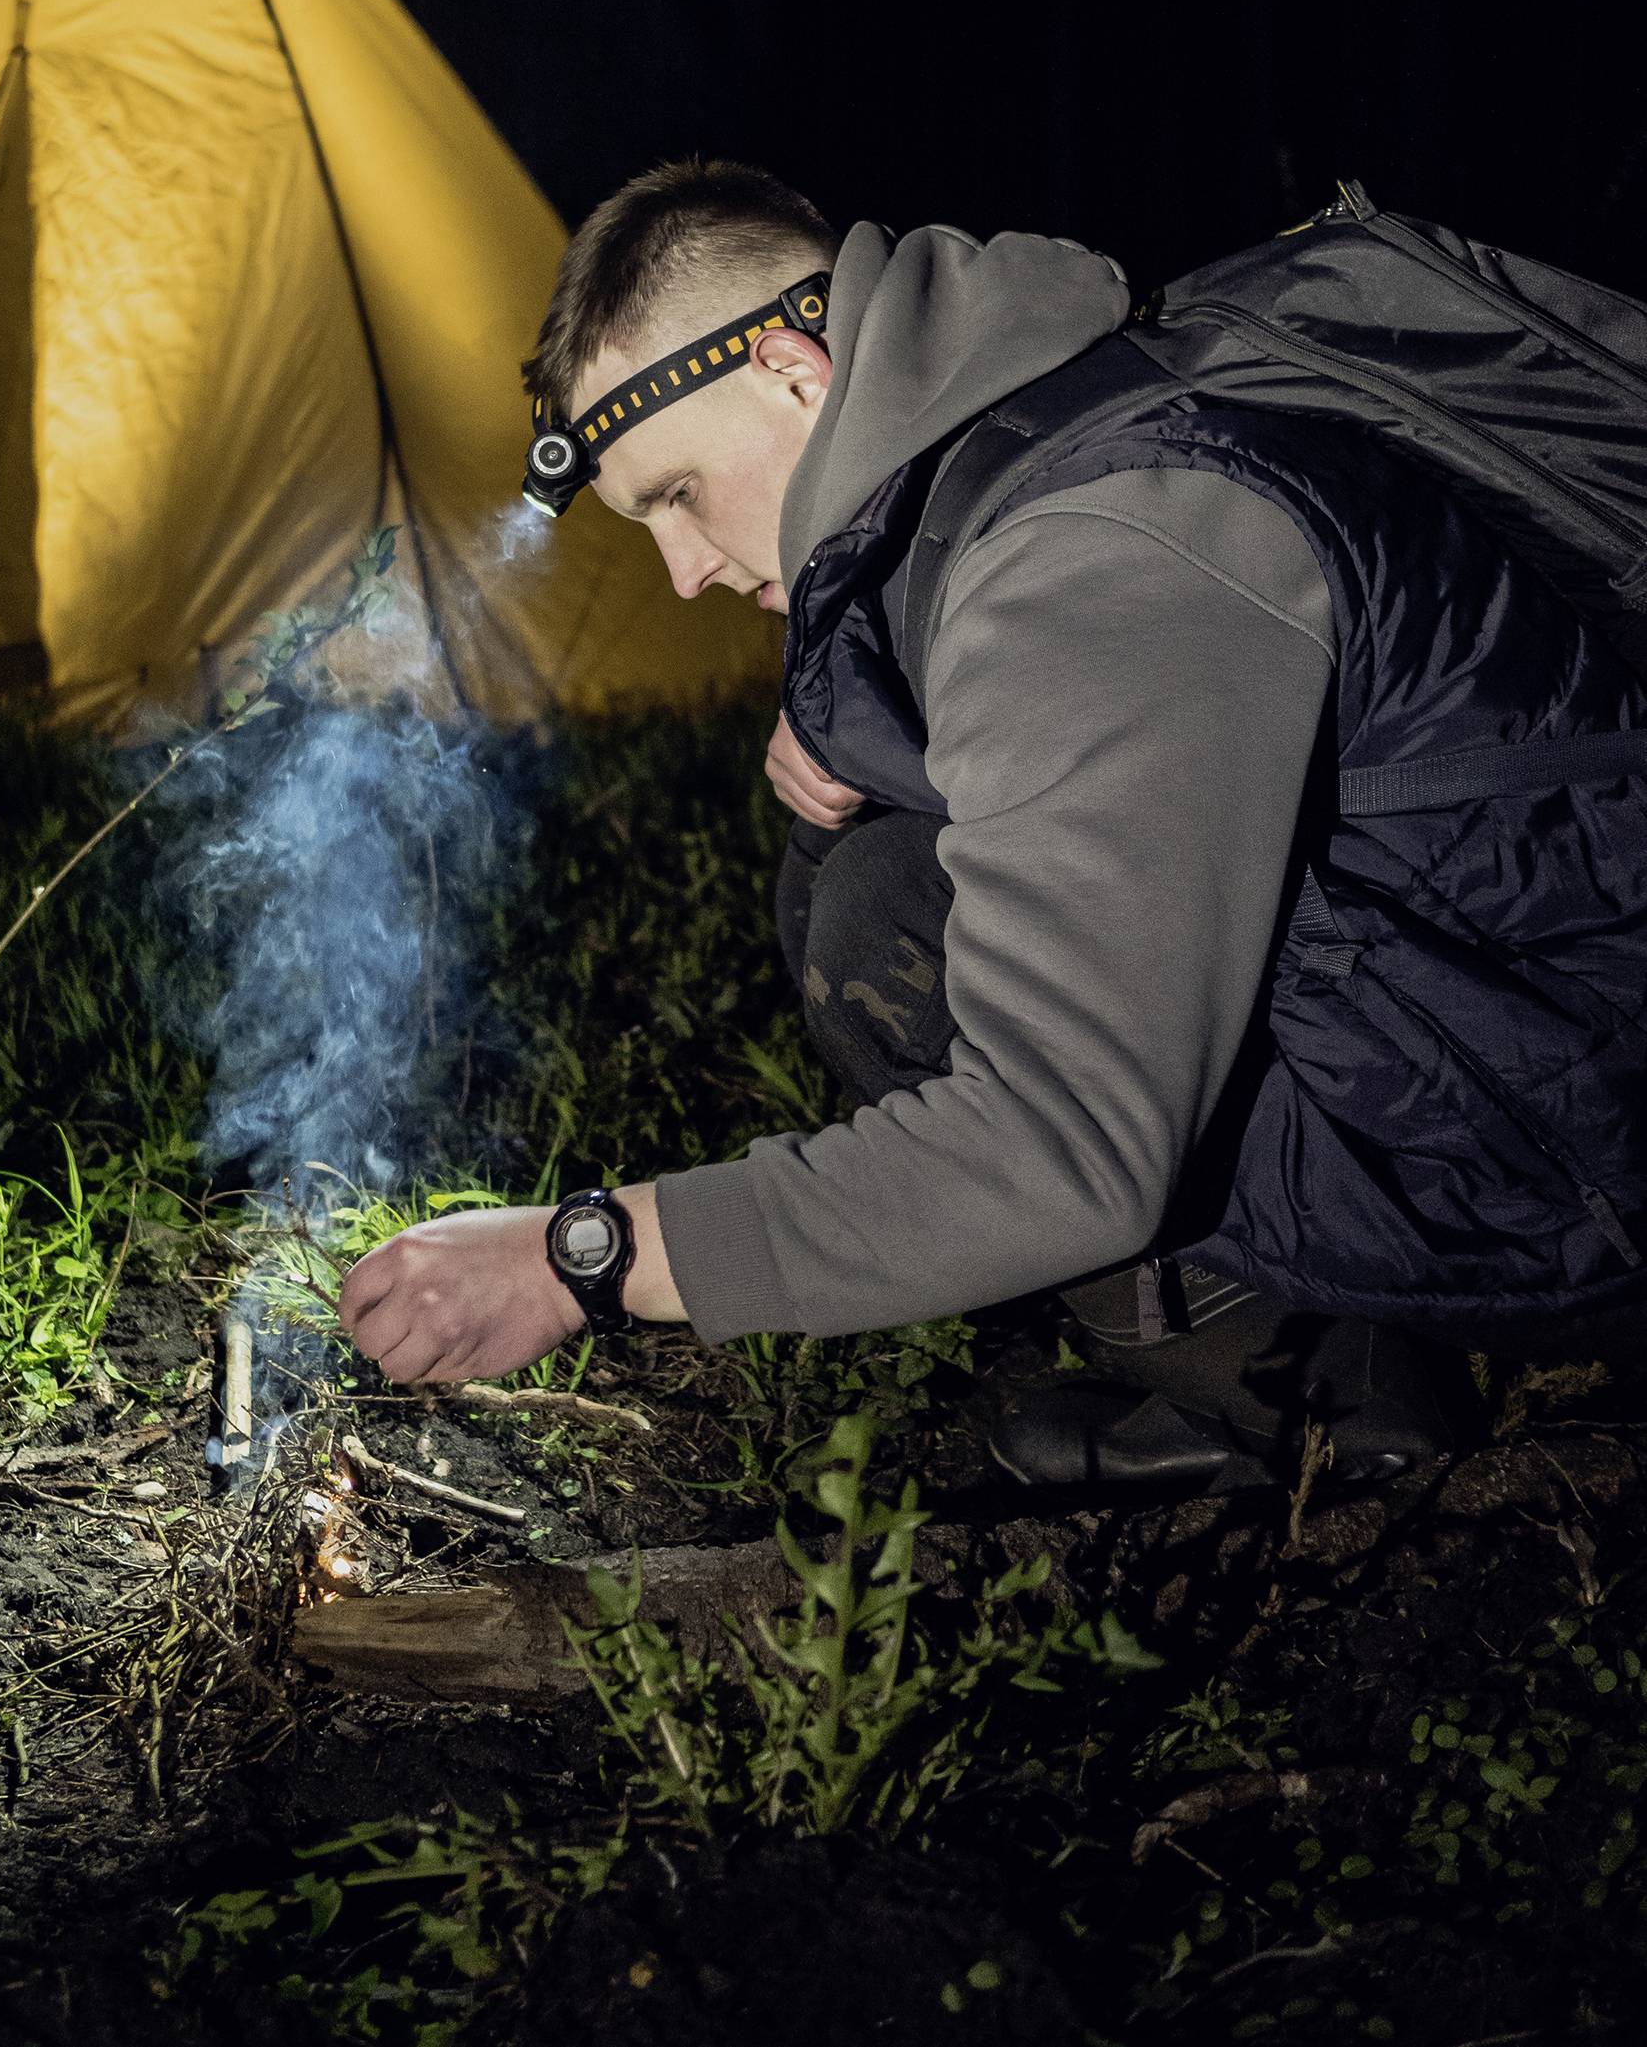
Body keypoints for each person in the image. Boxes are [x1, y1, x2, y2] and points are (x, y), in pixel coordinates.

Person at [336, 161, 1647, 1498]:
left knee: (888, 926)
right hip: (1508, 1012)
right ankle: (1327, 1366)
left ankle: (1303, 1397)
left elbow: (1059, 1141)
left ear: (792, 372)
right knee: (872, 868)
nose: (685, 571)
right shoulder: (1044, 415)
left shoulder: (1088, 537)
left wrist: (584, 1257)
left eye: (675, 494)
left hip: (1587, 1141)